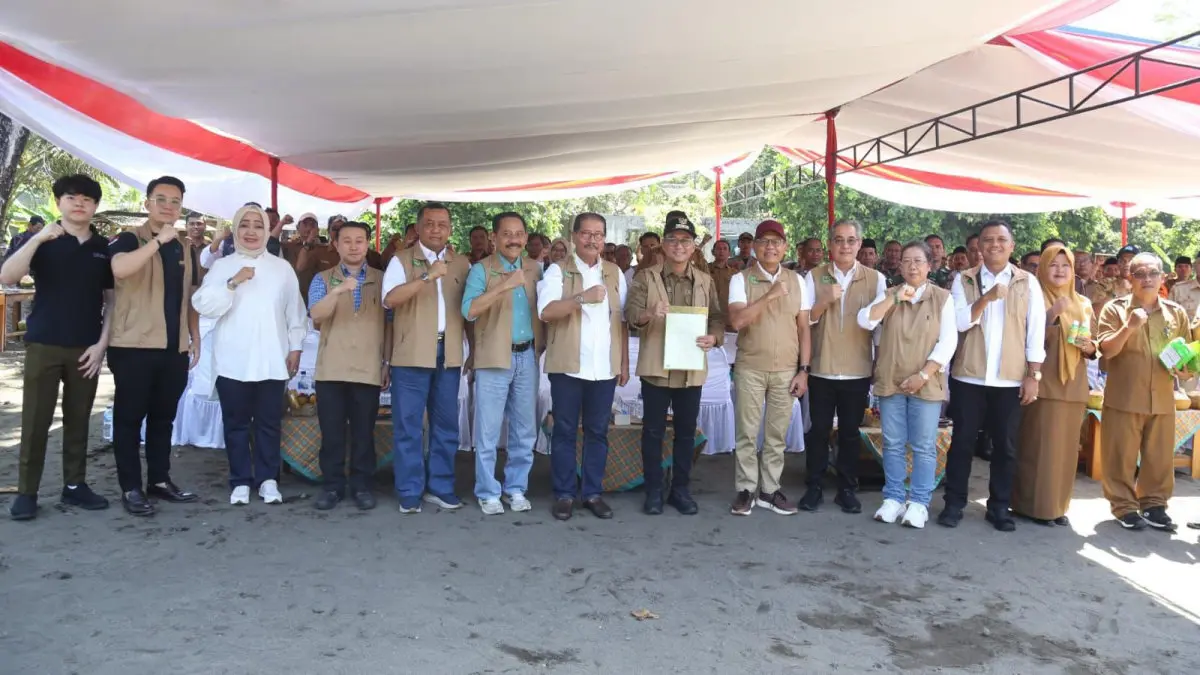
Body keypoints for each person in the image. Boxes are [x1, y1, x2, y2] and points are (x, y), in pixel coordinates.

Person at [2, 175, 113, 520]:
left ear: (95, 206)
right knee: (35, 420)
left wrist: (101, 346)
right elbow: (8, 276)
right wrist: (38, 239)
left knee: (78, 420)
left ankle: (75, 485)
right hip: (44, 344)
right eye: (71, 197)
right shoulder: (43, 240)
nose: (79, 203)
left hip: (85, 347)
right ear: (59, 202)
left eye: (87, 199)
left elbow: (111, 302)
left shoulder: (102, 247)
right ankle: (27, 491)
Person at [193, 204, 307, 506]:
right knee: (236, 423)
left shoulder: (281, 268)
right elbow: (203, 304)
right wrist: (232, 283)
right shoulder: (223, 266)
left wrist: (295, 347)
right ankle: (240, 480)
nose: (252, 231)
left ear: (267, 230)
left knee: (269, 423)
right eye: (245, 225)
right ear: (236, 229)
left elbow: (295, 311)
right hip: (232, 359)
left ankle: (268, 479)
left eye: (258, 225)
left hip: (272, 357)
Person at [939, 220, 1046, 532]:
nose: (995, 245)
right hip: (969, 377)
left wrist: (1033, 375)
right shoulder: (965, 280)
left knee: (1005, 446)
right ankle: (954, 503)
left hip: (1010, 379)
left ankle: (999, 507)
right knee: (961, 443)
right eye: (988, 240)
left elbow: (1035, 330)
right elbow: (959, 322)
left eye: (1002, 240)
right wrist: (985, 299)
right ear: (979, 247)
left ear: (1012, 246)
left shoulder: (1028, 282)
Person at [107, 176, 201, 516]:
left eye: (175, 201)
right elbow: (119, 269)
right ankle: (130, 487)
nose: (168, 206)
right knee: (129, 419)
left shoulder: (185, 246)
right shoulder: (129, 237)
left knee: (164, 418)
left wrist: (194, 337)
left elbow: (189, 296)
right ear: (147, 203)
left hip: (172, 348)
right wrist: (156, 241)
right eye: (160, 199)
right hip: (133, 345)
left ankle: (159, 481)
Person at [626, 217, 724, 515]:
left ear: (694, 246)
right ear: (663, 245)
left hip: (690, 367)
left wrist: (715, 338)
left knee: (685, 432)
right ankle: (654, 490)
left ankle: (680, 489)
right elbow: (630, 315)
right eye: (673, 240)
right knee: (653, 431)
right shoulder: (646, 277)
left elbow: (717, 318)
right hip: (657, 367)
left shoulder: (705, 280)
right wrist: (648, 313)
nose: (679, 246)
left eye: (685, 240)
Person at [857, 241, 957, 528]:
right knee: (892, 442)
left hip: (925, 381)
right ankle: (893, 498)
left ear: (929, 265)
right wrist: (894, 298)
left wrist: (923, 375)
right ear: (899, 267)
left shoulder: (942, 298)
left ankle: (919, 502)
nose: (912, 266)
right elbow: (865, 321)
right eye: (906, 261)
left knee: (924, 445)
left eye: (918, 261)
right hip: (891, 379)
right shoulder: (889, 294)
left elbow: (948, 341)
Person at [538, 213, 629, 521]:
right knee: (564, 431)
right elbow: (547, 312)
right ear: (574, 236)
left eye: (599, 235)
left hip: (604, 368)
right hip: (568, 366)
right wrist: (581, 298)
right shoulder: (557, 271)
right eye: (587, 234)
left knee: (598, 432)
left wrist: (624, 363)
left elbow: (622, 322)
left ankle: (592, 493)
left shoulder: (615, 272)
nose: (593, 240)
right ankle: (564, 494)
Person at [381, 202, 470, 513]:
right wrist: (427, 277)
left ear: (450, 230)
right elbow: (390, 300)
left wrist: (470, 351)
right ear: (417, 229)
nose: (436, 230)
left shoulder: (461, 263)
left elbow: (468, 310)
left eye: (442, 224)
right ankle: (409, 490)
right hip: (411, 353)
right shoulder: (401, 260)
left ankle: (440, 487)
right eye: (429, 224)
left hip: (450, 353)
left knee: (446, 425)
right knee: (408, 425)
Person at [1095, 253, 1190, 531]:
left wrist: (1184, 370)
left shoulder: (1176, 313)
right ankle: (1124, 506)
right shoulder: (1115, 309)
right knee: (1120, 456)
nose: (1146, 279)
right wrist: (1130, 326)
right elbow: (1107, 351)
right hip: (1125, 396)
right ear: (1130, 278)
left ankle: (1154, 504)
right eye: (1139, 274)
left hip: (1162, 396)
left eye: (1153, 273)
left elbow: (1184, 356)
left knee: (1159, 457)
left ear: (1162, 277)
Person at [800, 219, 886, 514]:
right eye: (839, 240)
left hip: (857, 369)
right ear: (830, 245)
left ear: (860, 245)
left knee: (850, 432)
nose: (845, 246)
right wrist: (823, 302)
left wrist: (878, 366)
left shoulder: (876, 279)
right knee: (818, 430)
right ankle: (814, 485)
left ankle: (847, 488)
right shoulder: (814, 276)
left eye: (851, 240)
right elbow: (805, 320)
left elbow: (879, 329)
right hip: (821, 367)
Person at [727, 219, 811, 516]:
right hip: (750, 366)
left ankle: (769, 490)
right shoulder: (741, 279)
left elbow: (804, 329)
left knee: (777, 435)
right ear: (754, 248)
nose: (771, 247)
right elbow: (737, 322)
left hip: (787, 369)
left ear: (785, 247)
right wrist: (769, 295)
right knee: (747, 433)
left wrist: (804, 369)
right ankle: (746, 489)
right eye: (764, 241)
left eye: (777, 241)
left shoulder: (798, 281)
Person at [462, 212, 543, 515]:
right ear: (495, 238)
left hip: (527, 355)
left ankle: (515, 488)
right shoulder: (481, 270)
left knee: (525, 429)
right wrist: (504, 286)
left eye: (519, 233)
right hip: (494, 356)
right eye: (507, 234)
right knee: (488, 429)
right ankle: (487, 491)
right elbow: (469, 310)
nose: (514, 239)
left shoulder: (536, 269)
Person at [308, 221, 392, 511]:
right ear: (336, 244)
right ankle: (331, 487)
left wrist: (387, 363)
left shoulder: (383, 280)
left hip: (368, 367)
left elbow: (390, 326)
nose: (353, 246)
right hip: (331, 368)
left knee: (363, 433)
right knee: (331, 433)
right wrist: (338, 290)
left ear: (368, 244)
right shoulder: (323, 279)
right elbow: (316, 317)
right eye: (347, 241)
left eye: (359, 240)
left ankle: (362, 486)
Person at [1012, 245, 1096, 526]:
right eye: (1053, 265)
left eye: (1065, 265)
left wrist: (1089, 347)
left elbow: (1091, 344)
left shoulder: (1082, 302)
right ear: (1042, 268)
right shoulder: (1032, 298)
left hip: (1073, 384)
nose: (1060, 271)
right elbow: (1025, 339)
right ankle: (1031, 506)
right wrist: (1051, 315)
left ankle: (1058, 507)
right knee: (1038, 447)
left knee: (1066, 450)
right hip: (1043, 382)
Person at [285, 213, 340, 305]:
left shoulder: (324, 249)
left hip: (321, 300)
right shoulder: (289, 246)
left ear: (317, 230)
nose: (308, 228)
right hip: (295, 299)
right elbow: (299, 268)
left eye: (312, 225)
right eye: (305, 225)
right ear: (298, 227)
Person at [708, 239, 738, 319]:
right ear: (713, 252)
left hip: (728, 316)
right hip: (708, 314)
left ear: (729, 253)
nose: (721, 251)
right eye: (718, 248)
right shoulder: (705, 270)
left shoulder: (735, 274)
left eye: (725, 249)